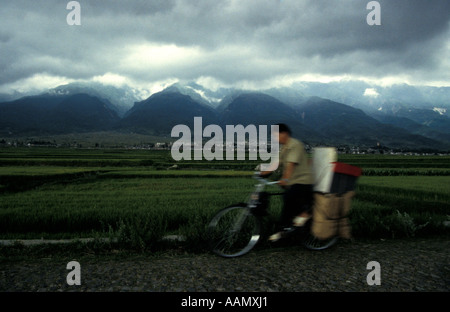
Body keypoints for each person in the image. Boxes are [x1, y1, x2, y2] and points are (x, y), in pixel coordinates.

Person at [260, 123, 314, 242]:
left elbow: (291, 165)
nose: (274, 138)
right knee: (287, 200)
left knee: (288, 199)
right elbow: (276, 164)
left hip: (303, 181)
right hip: (293, 182)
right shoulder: (283, 147)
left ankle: (285, 229)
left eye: (276, 135)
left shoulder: (295, 145)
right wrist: (262, 173)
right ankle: (295, 222)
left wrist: (285, 179)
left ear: (284, 133)